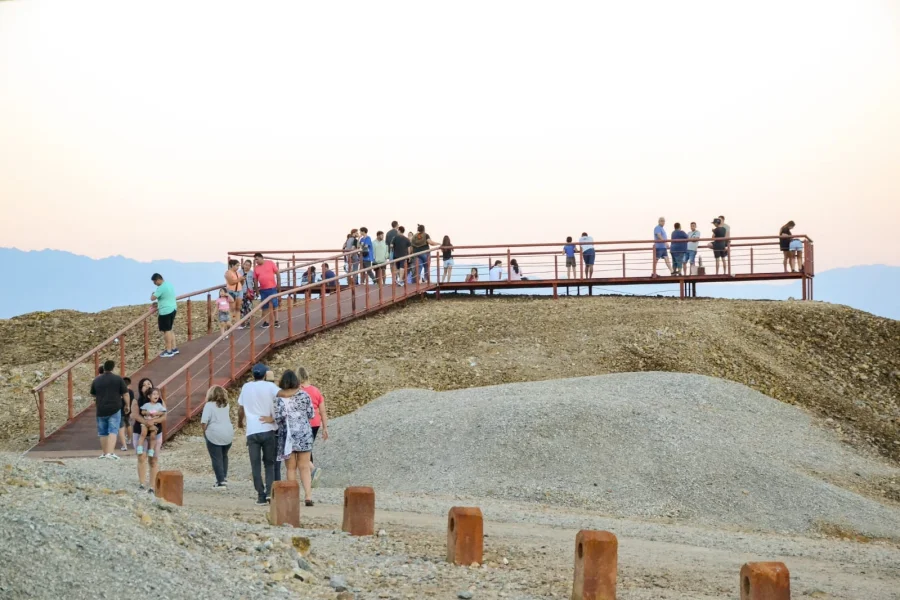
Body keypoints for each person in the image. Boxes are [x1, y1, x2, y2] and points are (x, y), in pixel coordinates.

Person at [263, 370, 315, 506]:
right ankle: (308, 496)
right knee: (304, 466)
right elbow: (311, 414)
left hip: (287, 436)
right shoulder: (304, 395)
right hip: (304, 433)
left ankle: (293, 496)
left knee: (291, 468)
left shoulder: (280, 398)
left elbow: (279, 417)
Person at [237, 363, 280, 505]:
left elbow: (240, 408)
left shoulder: (246, 387)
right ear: (265, 374)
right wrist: (273, 418)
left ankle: (260, 495)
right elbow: (282, 398)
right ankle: (269, 492)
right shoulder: (270, 387)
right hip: (268, 429)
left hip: (252, 430)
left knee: (255, 464)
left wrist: (240, 422)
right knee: (269, 463)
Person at [132, 378, 165, 491]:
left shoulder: (160, 401)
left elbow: (164, 415)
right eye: (144, 385)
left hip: (156, 432)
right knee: (141, 457)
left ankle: (152, 485)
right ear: (140, 388)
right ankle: (142, 483)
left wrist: (154, 422)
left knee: (153, 459)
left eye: (149, 384)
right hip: (140, 431)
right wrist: (147, 422)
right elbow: (135, 415)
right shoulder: (137, 401)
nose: (147, 386)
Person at [90, 360, 127, 460]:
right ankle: (110, 453)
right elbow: (125, 393)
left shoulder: (96, 380)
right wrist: (127, 405)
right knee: (113, 430)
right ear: (113, 368)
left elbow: (93, 393)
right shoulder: (118, 379)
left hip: (101, 408)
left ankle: (104, 452)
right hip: (114, 408)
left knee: (102, 432)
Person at [297, 367, 328, 485]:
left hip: (303, 423)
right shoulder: (316, 391)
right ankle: (310, 476)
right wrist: (325, 428)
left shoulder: (298, 391)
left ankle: (312, 471)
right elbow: (323, 411)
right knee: (308, 448)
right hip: (315, 423)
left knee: (303, 450)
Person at [201, 385, 234, 490]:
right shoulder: (226, 405)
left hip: (214, 433)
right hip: (228, 432)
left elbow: (204, 421)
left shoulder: (209, 405)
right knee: (224, 456)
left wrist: (204, 431)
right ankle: (223, 477)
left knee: (216, 457)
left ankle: (220, 482)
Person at [150, 273, 178, 357]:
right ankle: (174, 348)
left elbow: (152, 298)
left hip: (165, 311)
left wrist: (153, 293)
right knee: (170, 329)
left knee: (166, 331)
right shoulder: (169, 284)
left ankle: (168, 351)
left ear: (158, 280)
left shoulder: (161, 288)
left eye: (154, 282)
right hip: (173, 308)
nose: (154, 284)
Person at [135, 388, 167, 457]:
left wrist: (157, 413)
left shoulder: (159, 405)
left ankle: (151, 450)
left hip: (154, 423)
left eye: (157, 394)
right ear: (149, 396)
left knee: (153, 436)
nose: (156, 396)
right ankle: (140, 447)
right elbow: (142, 411)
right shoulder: (147, 404)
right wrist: (147, 412)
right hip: (146, 422)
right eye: (154, 394)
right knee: (143, 433)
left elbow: (163, 412)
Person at [253, 253, 280, 329]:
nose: (256, 261)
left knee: (275, 305)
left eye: (257, 259)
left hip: (272, 288)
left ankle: (276, 321)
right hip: (263, 289)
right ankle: (266, 322)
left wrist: (279, 284)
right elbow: (255, 280)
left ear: (262, 258)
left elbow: (277, 273)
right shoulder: (256, 268)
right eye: (255, 259)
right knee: (265, 306)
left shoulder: (270, 263)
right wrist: (257, 290)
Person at [224, 259, 244, 324]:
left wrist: (242, 279)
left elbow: (241, 283)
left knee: (238, 308)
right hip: (231, 291)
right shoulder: (228, 273)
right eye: (237, 266)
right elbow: (231, 282)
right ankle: (229, 323)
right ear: (232, 265)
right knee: (232, 308)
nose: (238, 267)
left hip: (239, 290)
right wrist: (240, 279)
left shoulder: (237, 273)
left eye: (238, 266)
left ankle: (237, 323)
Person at [118, 376, 134, 452]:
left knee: (121, 425)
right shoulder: (131, 392)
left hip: (120, 409)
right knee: (128, 423)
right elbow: (133, 401)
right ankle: (129, 439)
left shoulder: (120, 391)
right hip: (128, 409)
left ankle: (124, 440)